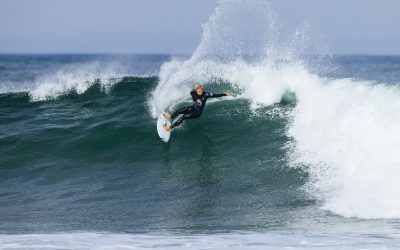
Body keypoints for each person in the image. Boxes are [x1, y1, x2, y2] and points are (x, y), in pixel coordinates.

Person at [163, 84, 232, 131]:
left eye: (201, 90)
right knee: (178, 111)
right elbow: (194, 96)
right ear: (196, 91)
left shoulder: (206, 94)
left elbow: (216, 95)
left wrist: (226, 94)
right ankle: (171, 118)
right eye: (199, 91)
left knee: (183, 117)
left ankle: (169, 128)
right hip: (192, 108)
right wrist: (197, 100)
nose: (200, 92)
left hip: (197, 112)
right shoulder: (193, 92)